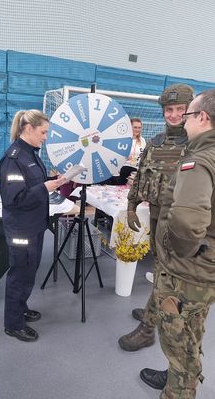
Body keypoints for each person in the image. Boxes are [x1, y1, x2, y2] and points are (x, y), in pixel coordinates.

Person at [143, 88, 215, 398]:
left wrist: (176, 253)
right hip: (205, 271)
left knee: (176, 335)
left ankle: (178, 391)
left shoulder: (198, 161)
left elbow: (186, 222)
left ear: (202, 117)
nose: (181, 121)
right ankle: (178, 379)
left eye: (186, 115)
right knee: (192, 331)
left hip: (187, 272)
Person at [118, 84, 194, 362]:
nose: (173, 115)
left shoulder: (197, 146)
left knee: (168, 276)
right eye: (169, 110)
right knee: (160, 268)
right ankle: (155, 310)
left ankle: (149, 327)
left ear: (191, 111)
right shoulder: (156, 142)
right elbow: (141, 176)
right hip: (156, 215)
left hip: (180, 223)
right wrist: (131, 204)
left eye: (180, 110)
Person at [0, 109, 67, 342]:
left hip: (35, 225)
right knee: (20, 274)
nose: (46, 137)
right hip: (21, 229)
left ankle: (21, 307)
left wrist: (53, 181)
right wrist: (45, 188)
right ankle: (13, 324)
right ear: (28, 129)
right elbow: (14, 199)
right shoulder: (14, 159)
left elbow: (33, 185)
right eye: (43, 132)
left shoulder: (31, 154)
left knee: (29, 272)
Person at [115, 117, 146, 185]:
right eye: (135, 127)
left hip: (136, 170)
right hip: (124, 169)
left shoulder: (142, 140)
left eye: (139, 127)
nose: (137, 129)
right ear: (130, 127)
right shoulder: (123, 140)